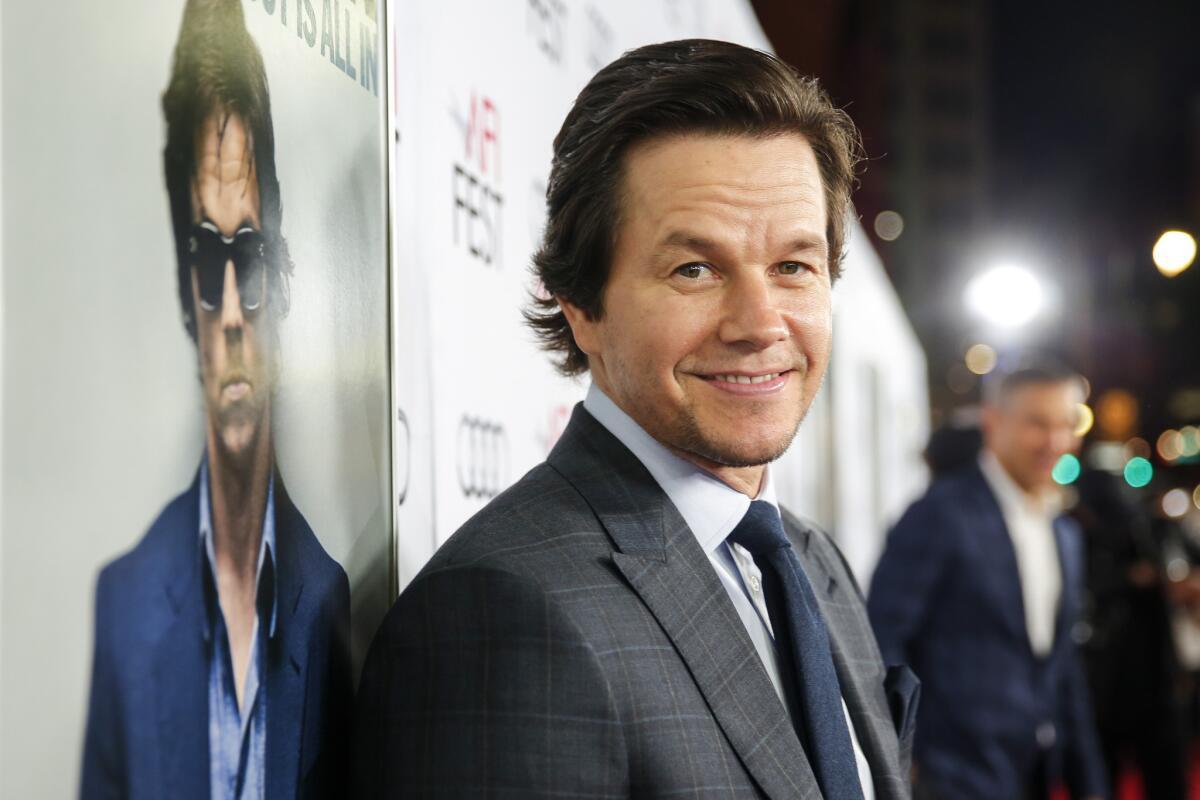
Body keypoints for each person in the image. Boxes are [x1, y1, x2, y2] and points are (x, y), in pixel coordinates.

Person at [354, 39, 918, 799]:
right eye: (696, 269)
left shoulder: (816, 566)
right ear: (581, 303)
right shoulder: (505, 612)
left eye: (793, 266)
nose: (760, 323)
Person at [80, 1, 351, 797]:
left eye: (251, 255)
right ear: (181, 291)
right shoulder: (126, 602)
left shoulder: (329, 600)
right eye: (206, 259)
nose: (232, 309)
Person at [868, 364, 1108, 799]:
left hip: (1033, 771)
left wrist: (1088, 781)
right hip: (950, 774)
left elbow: (1062, 665)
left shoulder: (1064, 532)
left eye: (1065, 425)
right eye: (1038, 423)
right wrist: (907, 759)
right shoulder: (939, 514)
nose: (1055, 441)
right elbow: (881, 639)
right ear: (993, 422)